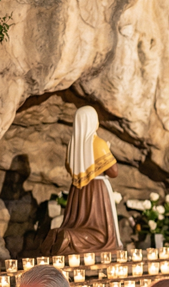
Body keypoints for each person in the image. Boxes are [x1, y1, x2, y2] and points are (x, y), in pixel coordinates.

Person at [41, 105, 123, 254]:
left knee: (76, 223)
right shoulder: (98, 143)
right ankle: (71, 238)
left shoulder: (73, 146)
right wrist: (108, 151)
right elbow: (113, 172)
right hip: (97, 190)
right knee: (101, 235)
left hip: (77, 190)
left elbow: (70, 168)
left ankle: (59, 234)